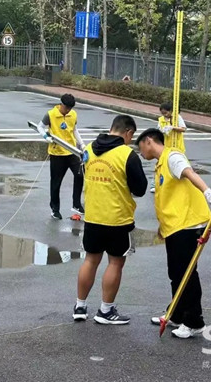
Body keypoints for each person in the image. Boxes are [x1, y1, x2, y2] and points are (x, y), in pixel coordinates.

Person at [136, 128, 211, 338]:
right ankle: (177, 313)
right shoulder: (160, 163)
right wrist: (162, 227)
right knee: (175, 273)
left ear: (149, 141)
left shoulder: (172, 157)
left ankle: (194, 321)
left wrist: (208, 193)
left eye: (140, 148)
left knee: (186, 273)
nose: (141, 153)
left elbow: (189, 173)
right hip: (174, 226)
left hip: (188, 225)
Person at [73, 115, 147, 325]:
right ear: (128, 133)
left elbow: (83, 175)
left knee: (90, 260)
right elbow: (140, 189)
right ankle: (105, 310)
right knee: (115, 262)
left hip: (93, 217)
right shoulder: (127, 155)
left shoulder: (88, 150)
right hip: (118, 219)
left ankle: (80, 306)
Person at [37, 93, 85, 220]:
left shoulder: (73, 114)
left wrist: (82, 144)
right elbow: (40, 126)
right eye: (66, 107)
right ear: (61, 104)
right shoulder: (51, 114)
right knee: (56, 183)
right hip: (57, 153)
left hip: (71, 151)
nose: (68, 110)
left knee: (80, 175)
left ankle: (76, 204)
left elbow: (74, 130)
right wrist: (45, 136)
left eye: (70, 108)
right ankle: (55, 209)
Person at [150, 103, 187, 193]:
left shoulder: (177, 118)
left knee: (177, 165)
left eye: (166, 113)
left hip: (177, 146)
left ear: (171, 111)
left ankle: (177, 184)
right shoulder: (161, 119)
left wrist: (172, 128)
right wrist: (161, 131)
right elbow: (158, 130)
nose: (164, 115)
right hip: (165, 146)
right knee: (160, 164)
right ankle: (155, 184)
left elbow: (183, 128)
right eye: (163, 113)